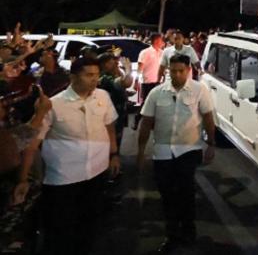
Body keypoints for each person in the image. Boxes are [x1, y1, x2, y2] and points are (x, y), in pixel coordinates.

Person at [12, 58, 120, 255]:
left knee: (89, 228)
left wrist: (114, 154)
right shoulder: (54, 104)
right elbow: (32, 144)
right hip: (63, 181)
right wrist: (23, 179)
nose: (94, 80)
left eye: (96, 75)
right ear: (73, 77)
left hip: (96, 174)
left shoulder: (103, 96)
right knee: (60, 233)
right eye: (89, 75)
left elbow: (109, 127)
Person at [137, 54, 216, 253]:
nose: (177, 74)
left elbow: (208, 117)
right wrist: (141, 151)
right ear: (168, 71)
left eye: (181, 71)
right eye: (173, 71)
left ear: (189, 70)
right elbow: (146, 123)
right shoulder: (157, 93)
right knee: (167, 195)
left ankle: (189, 232)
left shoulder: (199, 90)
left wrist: (211, 145)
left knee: (186, 193)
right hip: (162, 152)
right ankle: (172, 234)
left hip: (189, 150)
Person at [136, 33, 164, 128]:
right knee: (146, 103)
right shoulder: (145, 52)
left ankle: (152, 124)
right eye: (161, 40)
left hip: (158, 82)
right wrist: (136, 81)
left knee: (156, 103)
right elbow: (140, 68)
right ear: (156, 41)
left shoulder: (161, 52)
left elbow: (162, 66)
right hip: (147, 82)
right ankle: (137, 119)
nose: (163, 42)